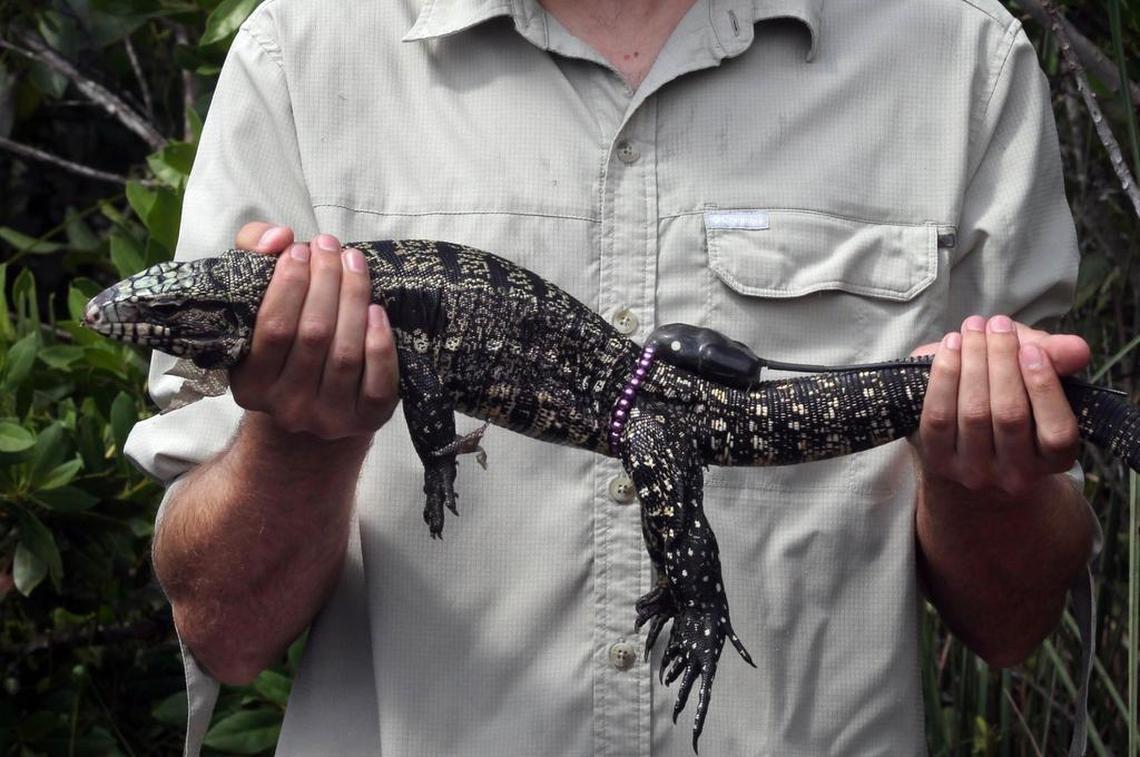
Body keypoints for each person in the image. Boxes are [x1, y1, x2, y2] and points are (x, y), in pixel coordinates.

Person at [124, 0, 1100, 753]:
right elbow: (224, 628)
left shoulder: (961, 57)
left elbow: (1014, 622)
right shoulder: (303, 55)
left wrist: (985, 475)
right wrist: (299, 436)